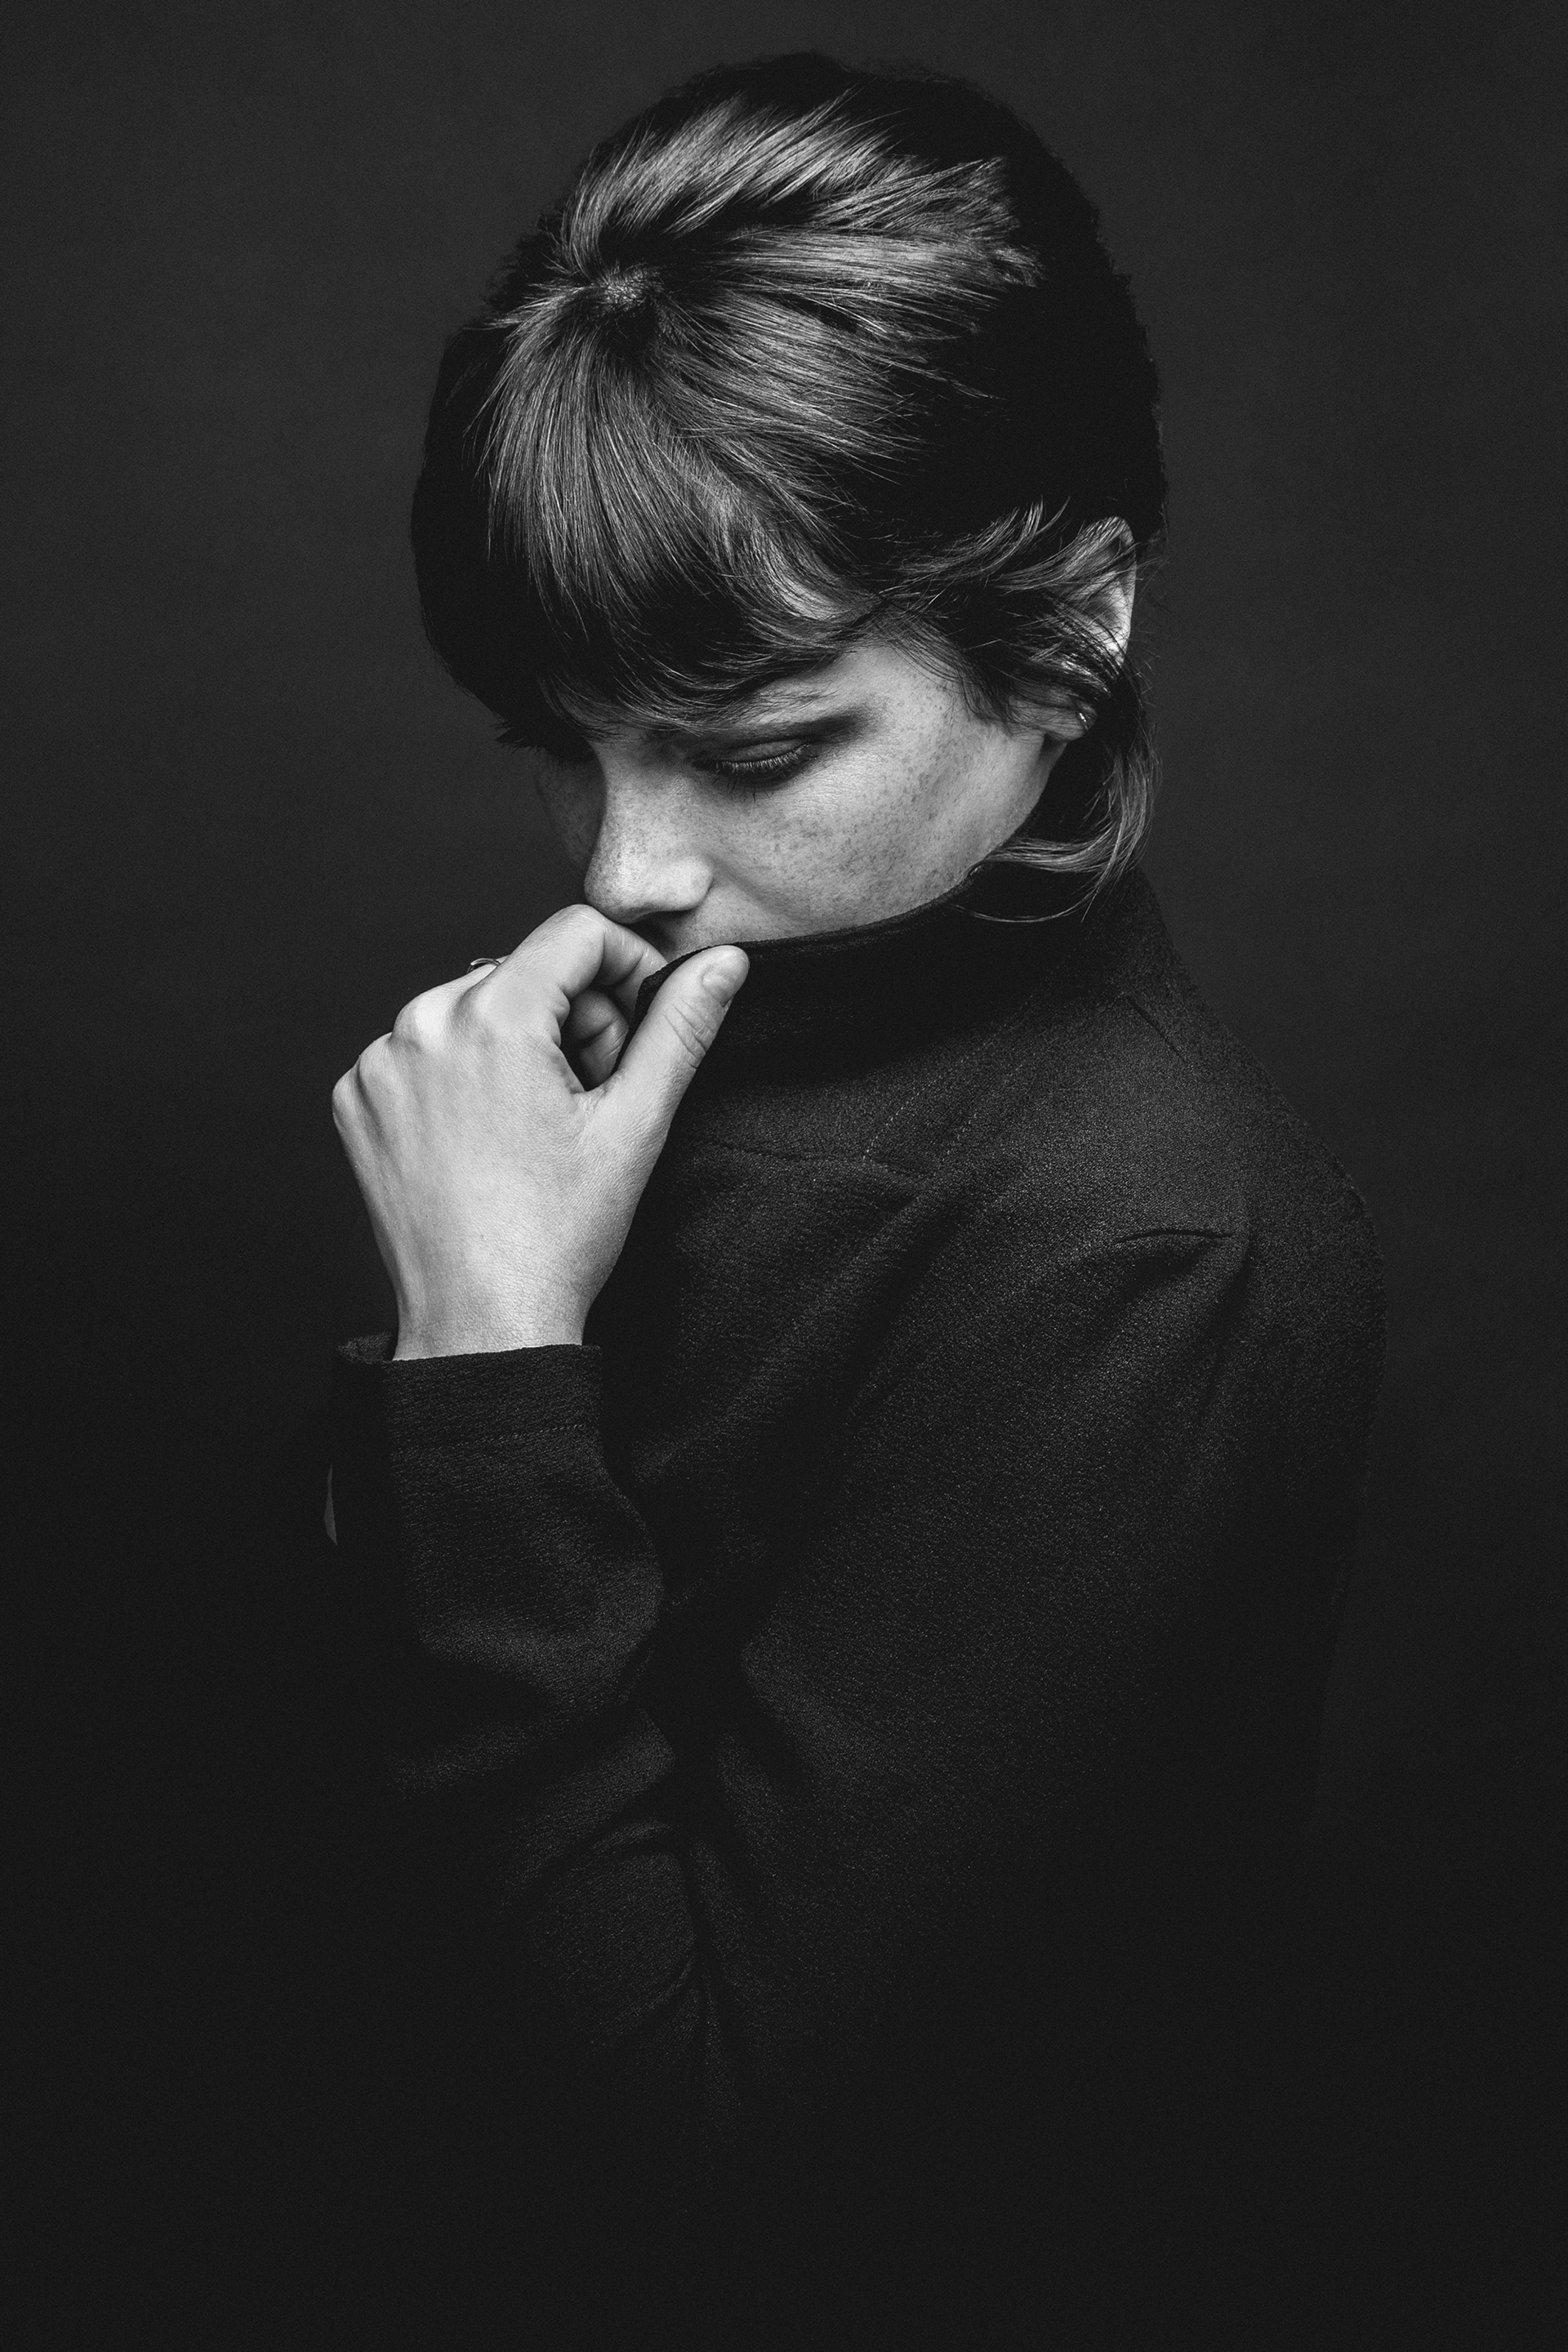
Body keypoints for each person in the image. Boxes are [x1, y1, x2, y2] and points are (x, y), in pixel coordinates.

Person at [323, 52, 1383, 2351]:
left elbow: (711, 2170)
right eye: (568, 745)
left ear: (1073, 629)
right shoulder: (629, 1076)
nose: (627, 866)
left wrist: (484, 1361)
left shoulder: (1131, 1253)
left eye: (759, 747)